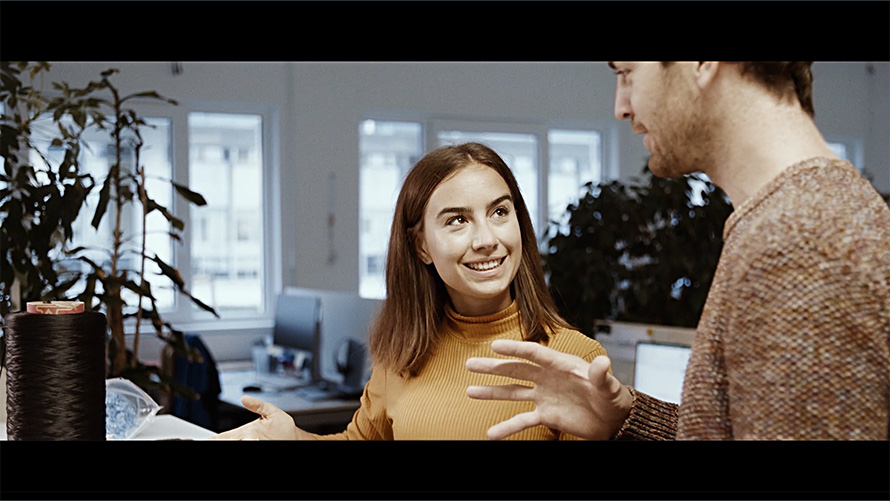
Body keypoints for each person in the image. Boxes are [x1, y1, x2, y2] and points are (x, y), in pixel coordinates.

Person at [465, 62, 890, 440]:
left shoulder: (799, 244)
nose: (621, 108)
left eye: (627, 73)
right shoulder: (797, 220)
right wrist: (627, 419)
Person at [213, 142, 608, 440]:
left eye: (500, 212)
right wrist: (293, 438)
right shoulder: (403, 352)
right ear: (422, 247)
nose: (487, 239)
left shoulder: (576, 359)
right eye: (458, 220)